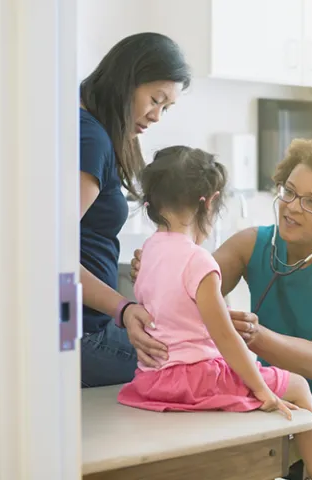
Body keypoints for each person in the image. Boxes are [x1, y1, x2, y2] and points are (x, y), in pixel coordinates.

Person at [129, 137, 312, 480]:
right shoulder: (253, 243)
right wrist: (161, 267)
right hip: (273, 394)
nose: (293, 207)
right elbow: (191, 286)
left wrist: (253, 336)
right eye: (289, 191)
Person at [118, 145, 312, 480]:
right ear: (210, 201)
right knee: (299, 386)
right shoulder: (198, 260)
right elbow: (227, 339)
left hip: (152, 379)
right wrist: (263, 390)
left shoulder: (148, 252)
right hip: (194, 379)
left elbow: (177, 316)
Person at [79, 32, 191, 388]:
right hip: (82, 335)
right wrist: (123, 309)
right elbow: (51, 253)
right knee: (202, 361)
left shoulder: (84, 126)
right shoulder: (90, 139)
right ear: (127, 80)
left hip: (84, 326)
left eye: (166, 108)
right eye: (155, 100)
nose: (156, 116)